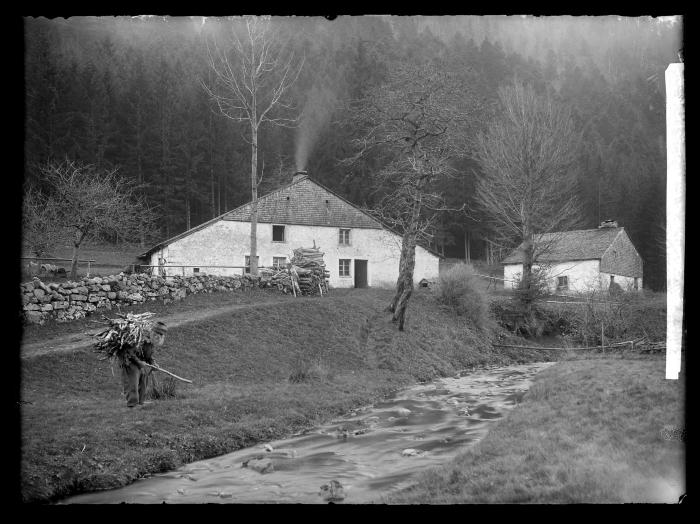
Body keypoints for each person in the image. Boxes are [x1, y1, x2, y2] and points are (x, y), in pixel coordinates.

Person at [121, 321, 168, 408]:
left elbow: (148, 356)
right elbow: (130, 352)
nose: (159, 337)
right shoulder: (140, 337)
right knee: (133, 383)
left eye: (161, 335)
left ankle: (140, 402)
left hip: (141, 363)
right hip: (130, 362)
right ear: (153, 332)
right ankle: (132, 404)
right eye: (158, 334)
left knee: (143, 381)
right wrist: (139, 362)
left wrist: (153, 363)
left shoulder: (151, 342)